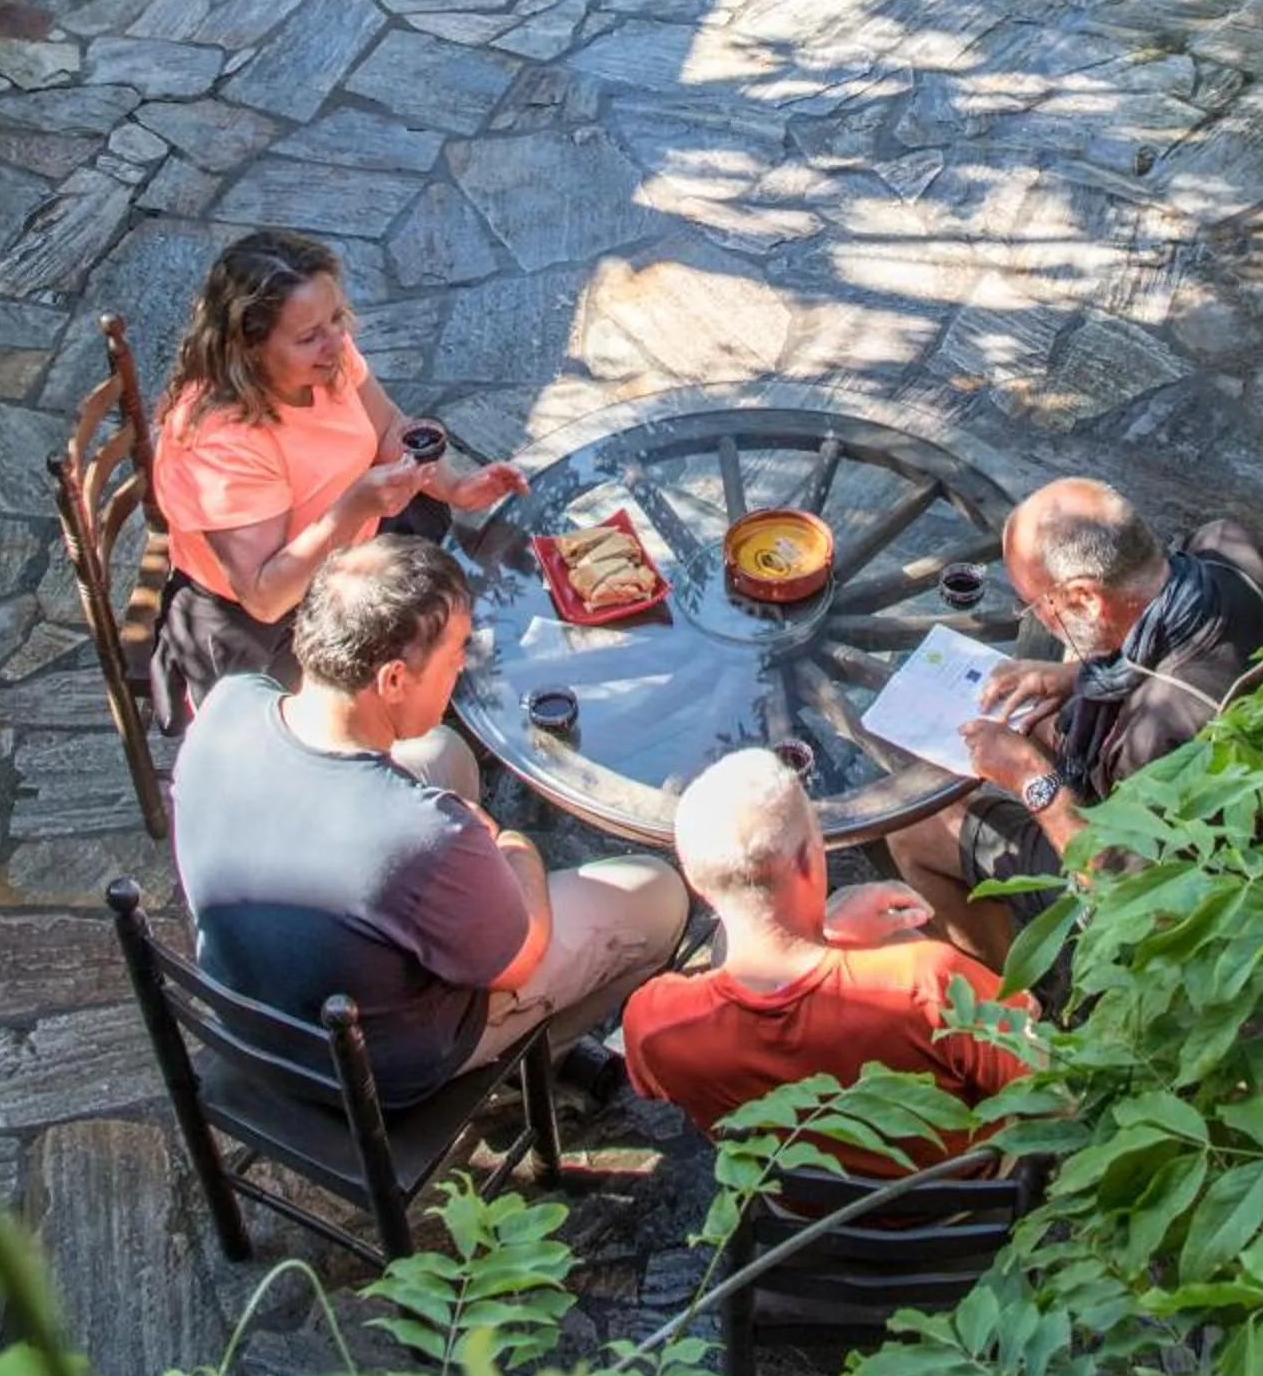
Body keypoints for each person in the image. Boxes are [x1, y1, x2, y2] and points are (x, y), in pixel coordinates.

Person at [171, 538, 688, 1110]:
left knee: (444, 750)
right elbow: (520, 954)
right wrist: (512, 847)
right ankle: (528, 1071)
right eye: (456, 652)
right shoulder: (418, 837)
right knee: (658, 894)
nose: (464, 665)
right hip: (374, 1070)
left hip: (255, 1006)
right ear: (393, 680)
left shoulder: (231, 700)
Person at [886, 478, 1263, 968]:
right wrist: (1071, 675)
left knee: (916, 830)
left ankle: (1019, 997)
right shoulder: (1228, 546)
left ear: (1084, 598)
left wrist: (1032, 779)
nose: (1034, 614)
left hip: (1187, 877)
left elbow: (1124, 892)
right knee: (1033, 720)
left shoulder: (1157, 734)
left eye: (1035, 605)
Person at [149, 227, 527, 727]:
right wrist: (354, 508)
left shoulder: (328, 360)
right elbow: (265, 597)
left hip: (351, 555)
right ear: (250, 348)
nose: (335, 343)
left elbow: (389, 428)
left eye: (335, 319)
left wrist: (456, 486)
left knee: (453, 633)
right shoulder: (220, 444)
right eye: (308, 337)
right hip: (269, 621)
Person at [622, 747, 1033, 1138]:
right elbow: (1041, 1076)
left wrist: (828, 934)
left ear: (696, 882)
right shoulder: (927, 982)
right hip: (972, 1179)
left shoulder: (654, 1020)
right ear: (811, 857)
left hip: (786, 1184)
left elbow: (654, 1083)